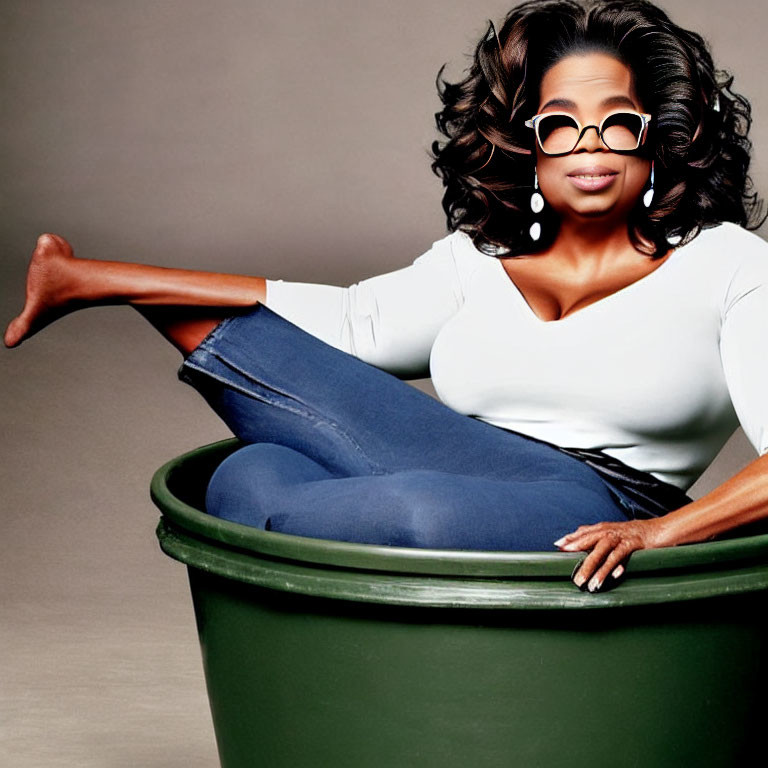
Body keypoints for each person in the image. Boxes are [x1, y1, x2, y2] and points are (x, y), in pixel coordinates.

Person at [5, 0, 768, 595]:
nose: (590, 146)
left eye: (617, 124)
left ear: (660, 137)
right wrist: (114, 282)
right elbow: (349, 323)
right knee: (248, 465)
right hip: (454, 455)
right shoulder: (478, 259)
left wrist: (661, 534)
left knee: (412, 512)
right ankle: (89, 279)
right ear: (527, 145)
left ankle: (294, 533)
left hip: (597, 499)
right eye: (561, 125)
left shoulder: (728, 264)